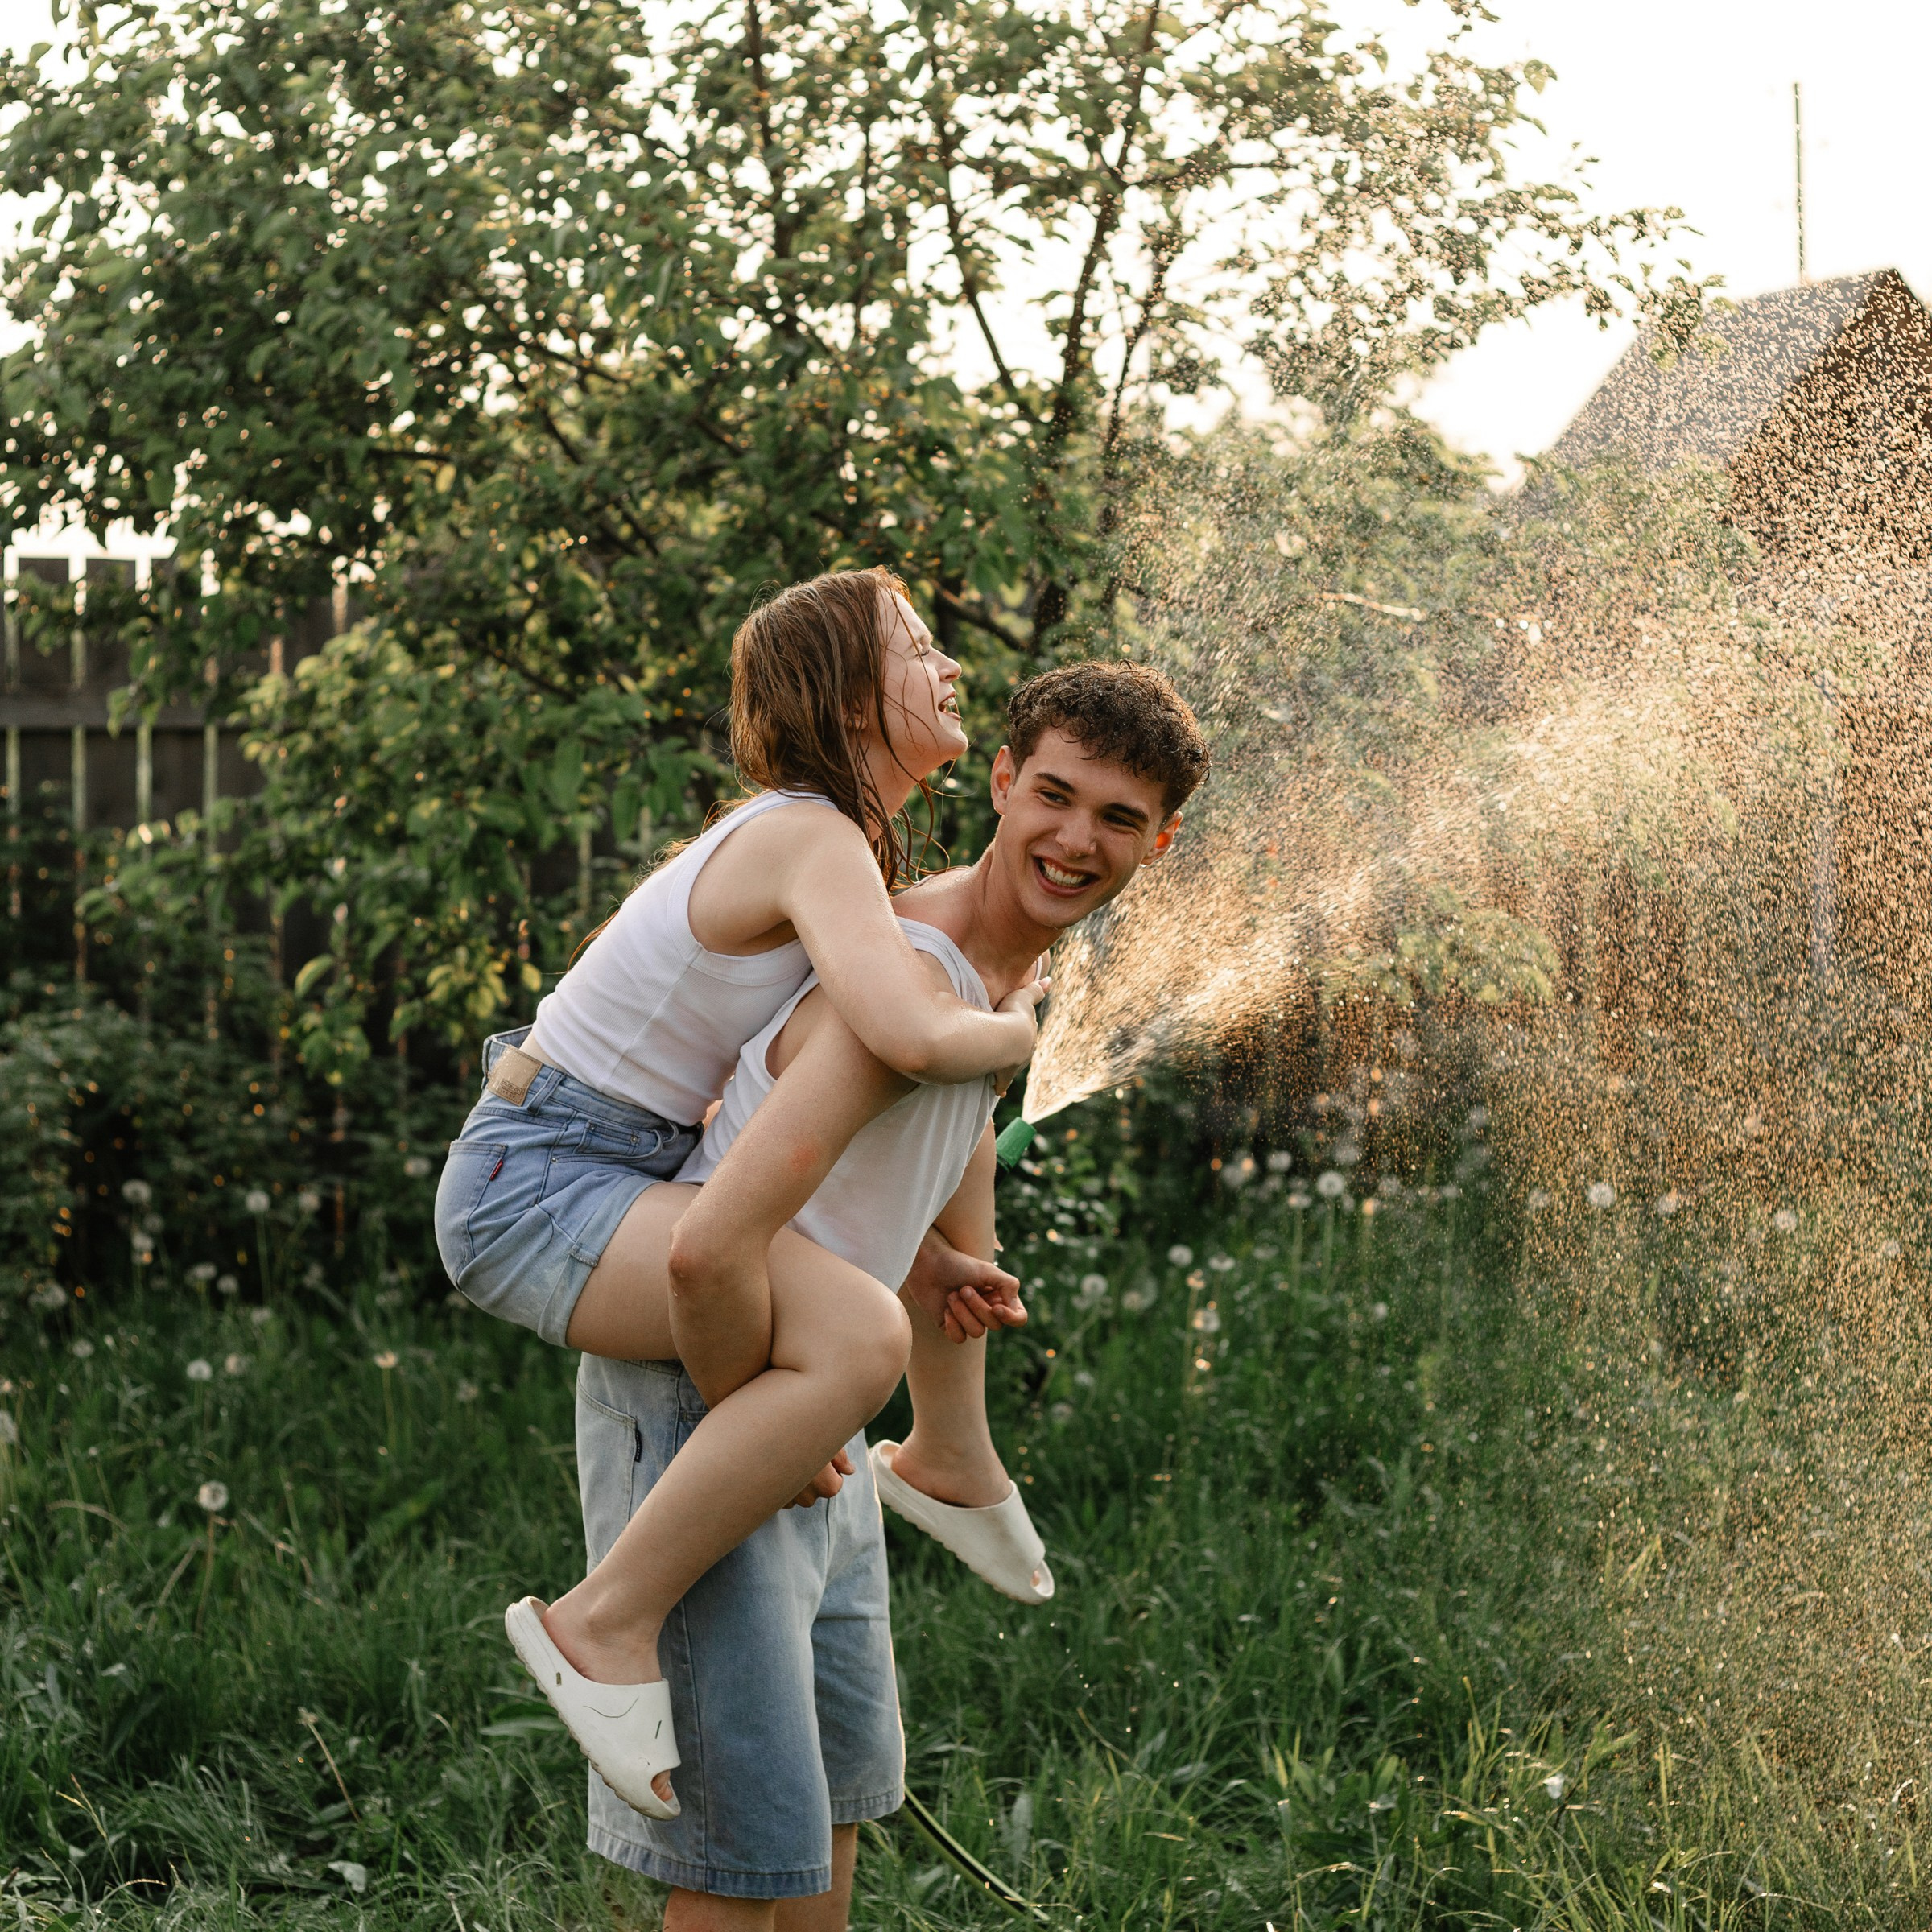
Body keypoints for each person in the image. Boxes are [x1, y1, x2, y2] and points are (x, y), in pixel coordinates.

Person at [513, 662, 1211, 1922]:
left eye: (1119, 818)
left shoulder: (996, 977)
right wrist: (771, 1405)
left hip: (816, 1403)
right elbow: (715, 1239)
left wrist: (935, 1267)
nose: (1076, 839)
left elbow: (897, 1160)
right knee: (739, 1865)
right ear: (1001, 782)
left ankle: (951, 1459)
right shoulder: (911, 982)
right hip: (723, 1394)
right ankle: (598, 1624)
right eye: (1055, 796)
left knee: (826, 1817)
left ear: (1158, 843)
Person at [434, 568, 1038, 1358]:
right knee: (853, 1340)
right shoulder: (813, 839)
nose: (951, 666)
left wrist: (921, 1260)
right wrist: (1018, 1032)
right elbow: (914, 1041)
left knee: (835, 1334)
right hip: (538, 1184)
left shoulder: (817, 839)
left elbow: (760, 1097)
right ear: (853, 702)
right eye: (921, 651)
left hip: (612, 1161)